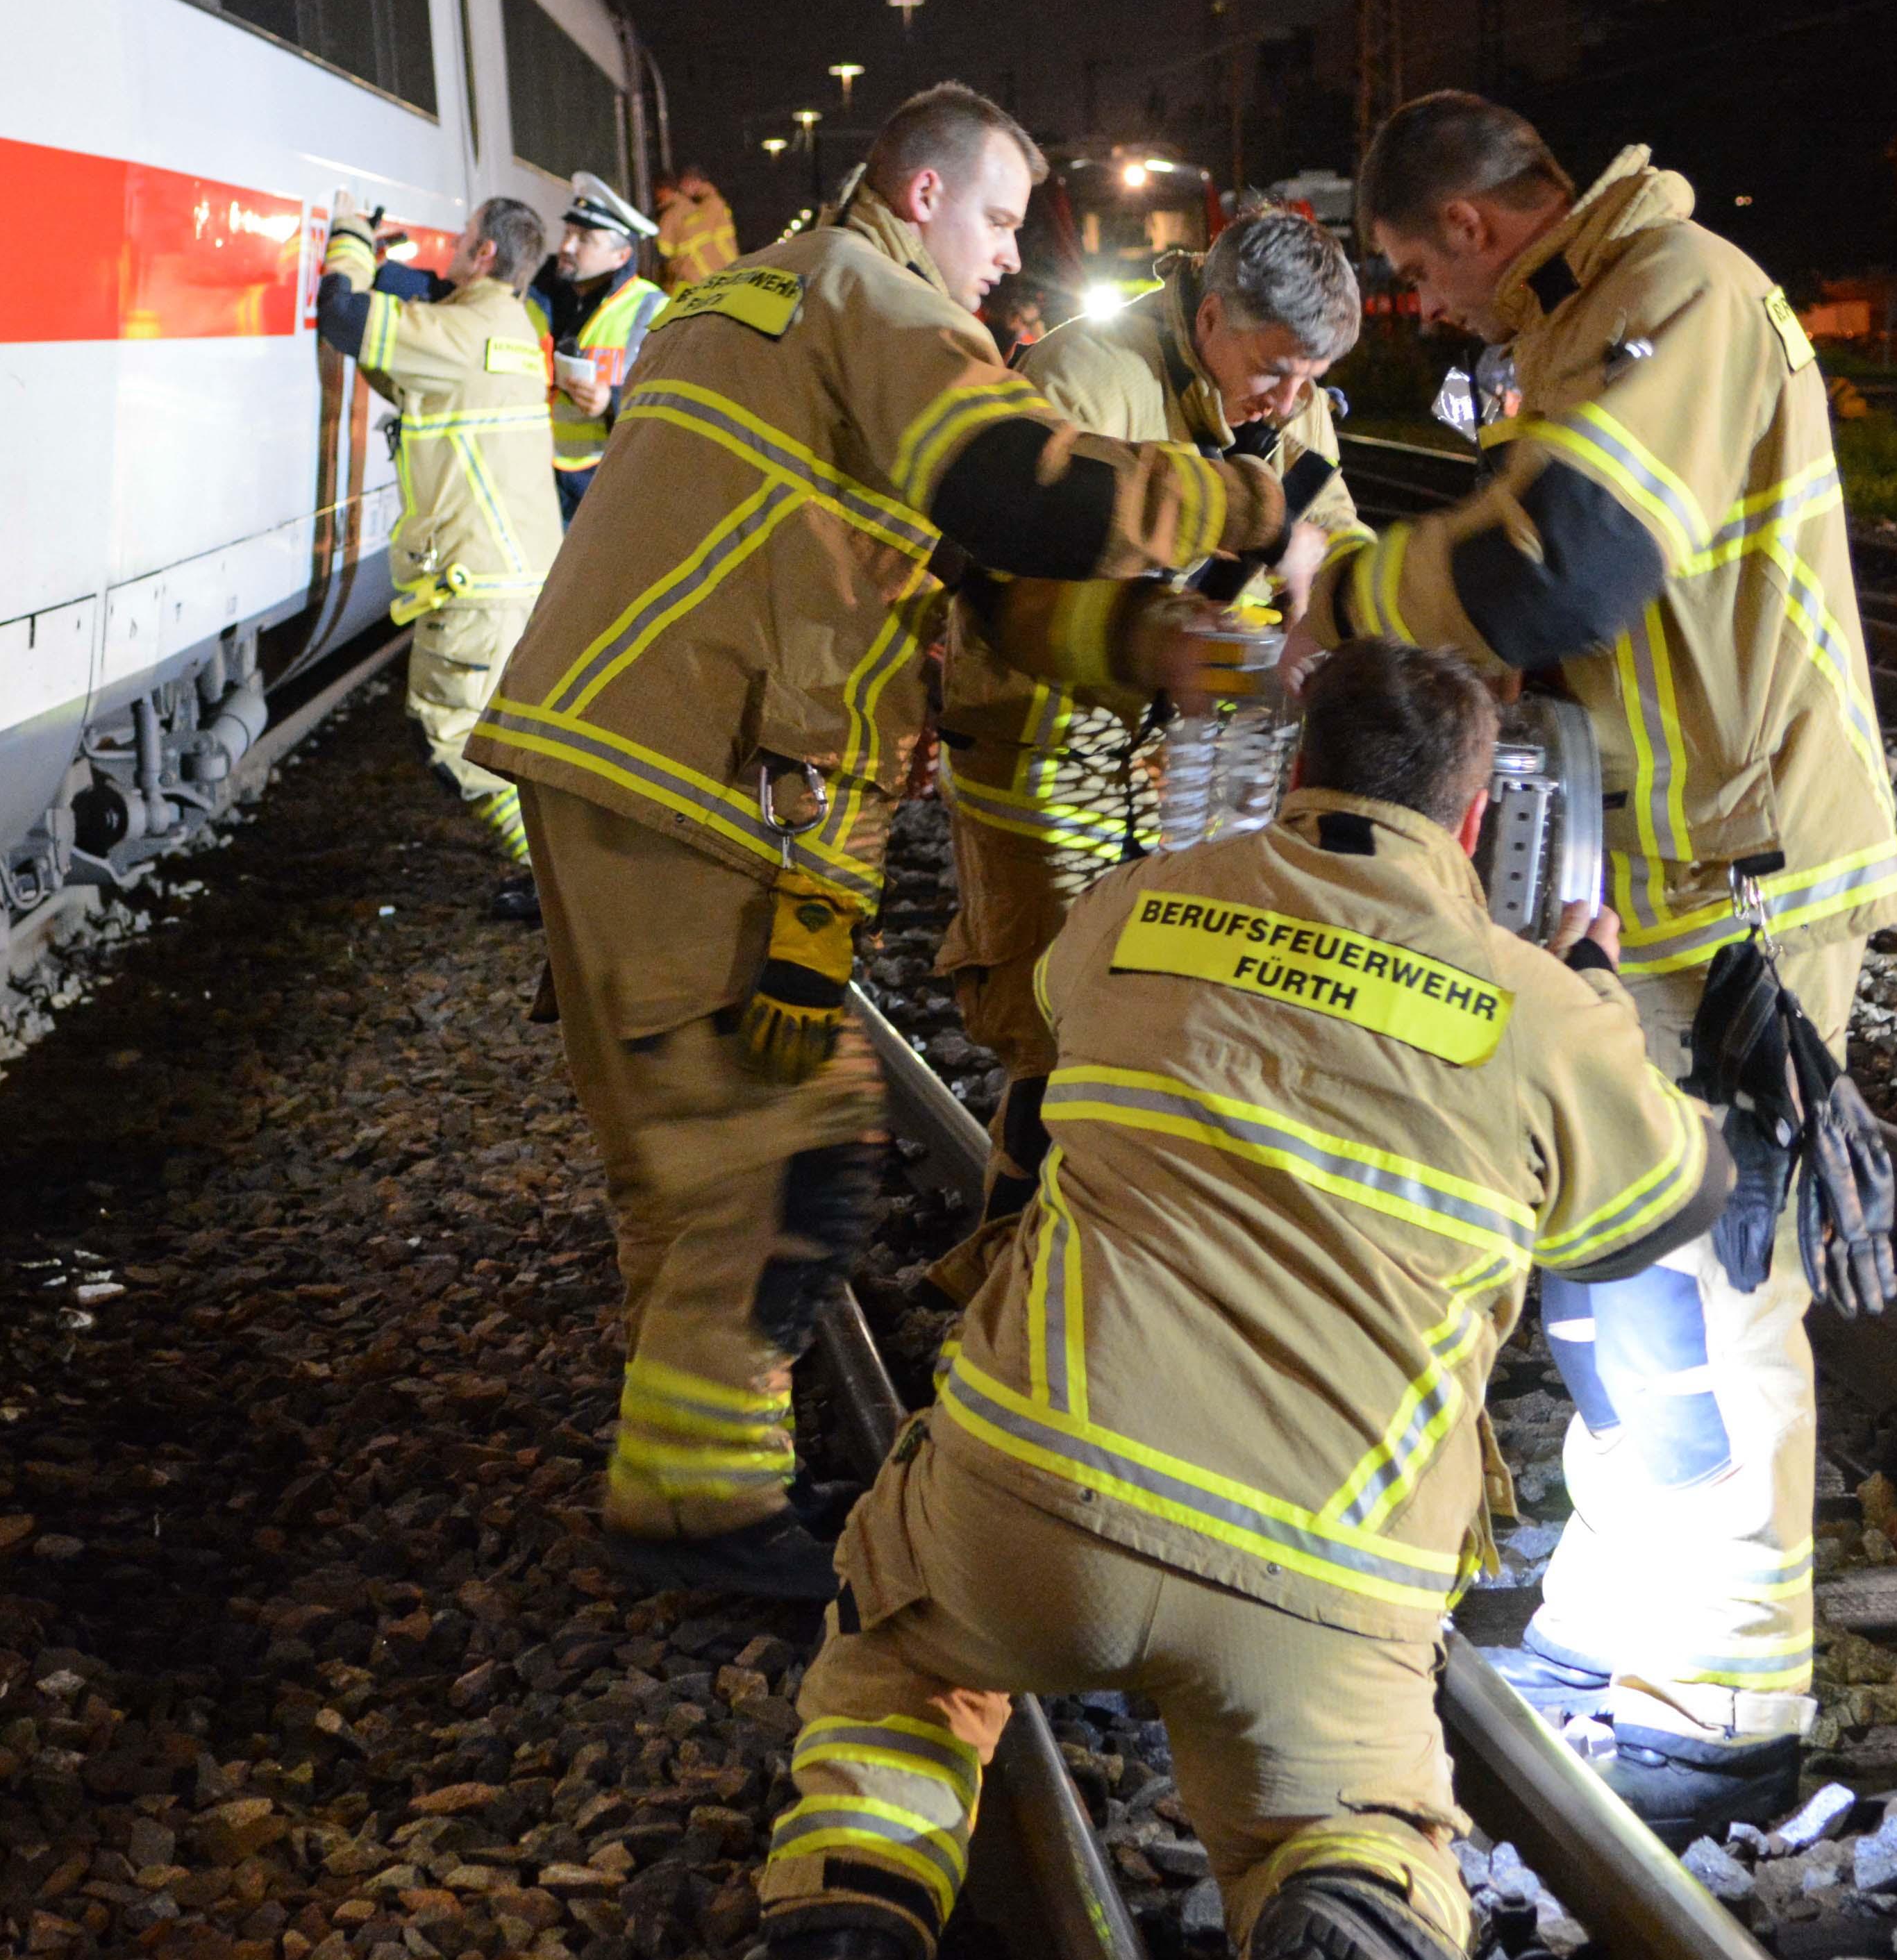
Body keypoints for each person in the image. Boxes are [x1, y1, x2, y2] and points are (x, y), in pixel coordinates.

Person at [739, 641, 1728, 1960]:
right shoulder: (1535, 1008)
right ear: (1475, 816)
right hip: (1323, 1567)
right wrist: (1594, 988)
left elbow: (1070, 1032)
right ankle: (1340, 1899)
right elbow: (1663, 1204)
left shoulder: (1136, 907)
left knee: (899, 1657)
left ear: (1291, 767)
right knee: (1344, 1816)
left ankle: (854, 1892)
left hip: (1040, 1505)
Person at [474, 83, 1298, 1604]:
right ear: (922, 198)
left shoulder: (765, 290)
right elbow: (1015, 493)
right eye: (997, 219)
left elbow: (966, 577)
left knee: (706, 1154)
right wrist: (1253, 510)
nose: (1007, 262)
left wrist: (1165, 655)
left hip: (632, 751)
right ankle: (697, 1513)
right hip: (691, 771)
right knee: (786, 1160)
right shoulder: (878, 297)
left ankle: (696, 1479)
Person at [1298, 90, 1897, 1838]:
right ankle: (1626, 1625)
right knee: (1613, 1271)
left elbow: (1569, 569)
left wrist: (1342, 601)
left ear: (1477, 225)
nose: (1421, 308)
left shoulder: (1677, 297)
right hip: (1667, 874)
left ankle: (1723, 1692)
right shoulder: (1589, 310)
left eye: (1417, 271)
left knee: (1705, 1285)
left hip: (1746, 892)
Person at [930, 209, 1371, 1293]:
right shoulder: (1088, 377)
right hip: (1050, 758)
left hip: (1191, 774)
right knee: (1061, 1039)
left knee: (1165, 1021)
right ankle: (1008, 1287)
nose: (1291, 402)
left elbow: (1337, 528)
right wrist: (1150, 643)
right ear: (1212, 316)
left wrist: (1359, 611)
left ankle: (1120, 1285)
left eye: (1315, 378)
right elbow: (1004, 587)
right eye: (1276, 371)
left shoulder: (1288, 403)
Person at [319, 191, 562, 911]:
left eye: (461, 239)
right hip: (517, 572)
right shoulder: (506, 325)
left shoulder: (463, 331)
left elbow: (342, 316)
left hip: (480, 582)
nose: (450, 250)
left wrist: (348, 242)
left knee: (455, 737)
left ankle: (561, 888)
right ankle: (567, 879)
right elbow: (407, 377)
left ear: (485, 253)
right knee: (511, 741)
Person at [534, 174, 667, 521]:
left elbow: (673, 400)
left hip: (611, 488)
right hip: (542, 479)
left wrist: (614, 400)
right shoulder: (545, 295)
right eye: (568, 234)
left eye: (585, 239)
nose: (567, 247)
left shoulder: (654, 309)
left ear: (620, 255)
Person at [654, 166, 740, 285]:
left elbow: (663, 251)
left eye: (684, 185)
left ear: (694, 182)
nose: (683, 189)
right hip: (724, 268)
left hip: (712, 272)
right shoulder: (706, 204)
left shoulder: (709, 206)